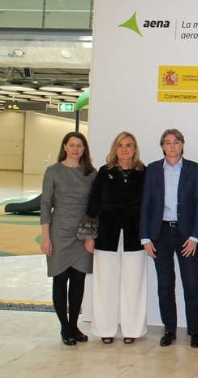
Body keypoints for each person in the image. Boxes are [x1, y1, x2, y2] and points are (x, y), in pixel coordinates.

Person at [140, 129, 198, 348]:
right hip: (160, 234)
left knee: (191, 284)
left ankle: (194, 331)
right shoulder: (153, 169)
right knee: (165, 285)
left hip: (186, 235)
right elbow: (146, 204)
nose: (173, 146)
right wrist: (145, 237)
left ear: (183, 145)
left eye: (176, 142)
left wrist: (195, 236)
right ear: (162, 146)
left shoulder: (193, 169)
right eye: (168, 143)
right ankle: (169, 330)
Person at [86, 131, 147, 344]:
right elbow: (93, 204)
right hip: (106, 235)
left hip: (135, 235)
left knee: (134, 284)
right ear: (115, 149)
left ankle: (132, 329)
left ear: (134, 149)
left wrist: (148, 237)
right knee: (105, 283)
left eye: (129, 145)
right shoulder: (104, 172)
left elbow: (148, 207)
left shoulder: (143, 173)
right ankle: (105, 329)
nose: (124, 149)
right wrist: (89, 235)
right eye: (120, 145)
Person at [40, 131, 97, 346]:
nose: (76, 149)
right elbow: (45, 205)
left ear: (84, 149)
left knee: (78, 281)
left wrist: (91, 236)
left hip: (82, 234)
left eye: (80, 146)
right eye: (72, 145)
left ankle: (74, 325)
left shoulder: (91, 173)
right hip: (59, 232)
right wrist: (46, 237)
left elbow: (95, 207)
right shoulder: (53, 171)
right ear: (64, 146)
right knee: (60, 279)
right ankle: (65, 327)